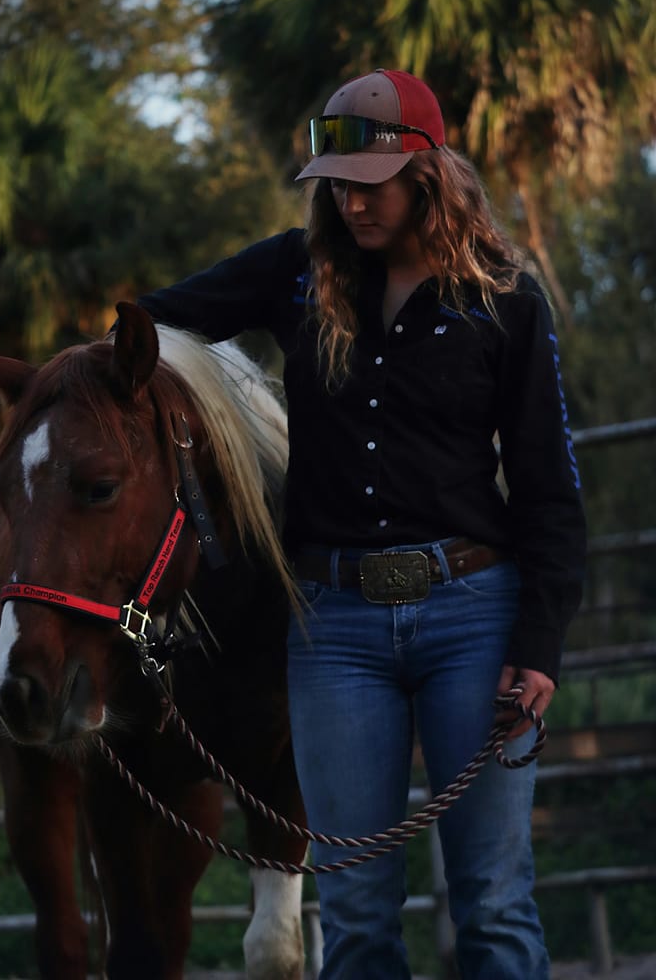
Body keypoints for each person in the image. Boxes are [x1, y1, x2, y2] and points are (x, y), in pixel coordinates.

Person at [135, 69, 587, 979]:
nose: (349, 203)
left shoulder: (505, 300)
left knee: (494, 904)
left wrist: (537, 646)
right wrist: (79, 385)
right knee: (354, 913)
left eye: (370, 185)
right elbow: (149, 324)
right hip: (334, 626)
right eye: (336, 185)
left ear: (428, 176)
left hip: (474, 616)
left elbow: (549, 493)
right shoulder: (292, 273)